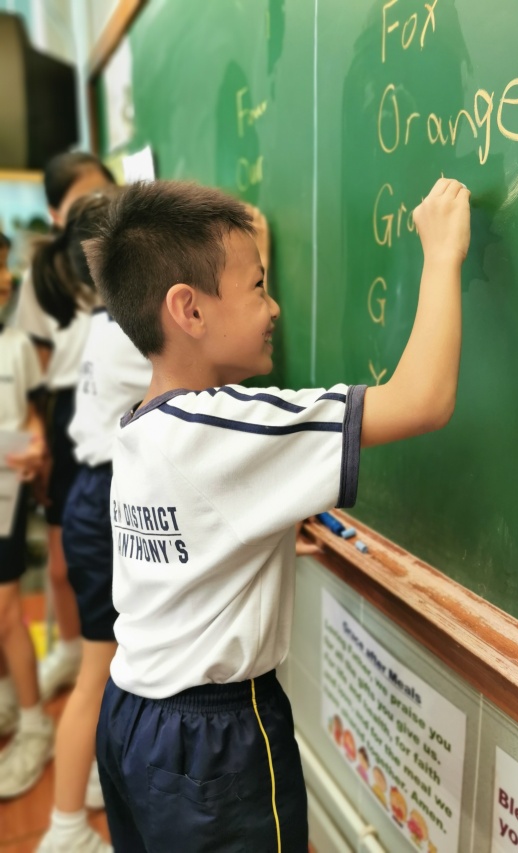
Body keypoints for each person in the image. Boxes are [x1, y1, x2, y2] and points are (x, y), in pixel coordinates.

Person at [89, 176, 470, 852]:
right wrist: (441, 254)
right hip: (212, 743)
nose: (276, 307)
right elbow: (423, 400)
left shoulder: (142, 425)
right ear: (189, 309)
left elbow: (190, 548)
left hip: (131, 715)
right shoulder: (220, 427)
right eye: (260, 287)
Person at [35, 190, 151, 852]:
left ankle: (88, 791)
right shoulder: (131, 333)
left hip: (92, 492)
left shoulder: (103, 323)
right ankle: (66, 828)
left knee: (102, 665)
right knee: (97, 669)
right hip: (102, 497)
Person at [9, 152, 115, 710]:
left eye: (104, 193)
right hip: (67, 408)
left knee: (102, 551)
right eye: (81, 201)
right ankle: (72, 651)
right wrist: (38, 437)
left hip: (116, 404)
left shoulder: (125, 253)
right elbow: (36, 361)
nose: (96, 207)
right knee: (61, 557)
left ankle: (95, 658)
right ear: (54, 213)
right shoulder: (47, 273)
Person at [0, 279, 53, 797]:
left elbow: (32, 412)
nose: (3, 281)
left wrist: (36, 441)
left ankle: (35, 725)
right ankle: (8, 698)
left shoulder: (16, 344)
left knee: (5, 611)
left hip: (4, 486)